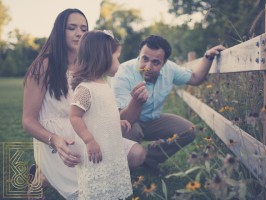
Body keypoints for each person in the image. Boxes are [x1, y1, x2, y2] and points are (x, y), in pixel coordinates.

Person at [22, 9, 145, 199]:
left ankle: (44, 177)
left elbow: (99, 112)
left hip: (88, 133)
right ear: (59, 31)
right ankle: (43, 175)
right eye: (72, 28)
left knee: (136, 154)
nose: (79, 33)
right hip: (59, 140)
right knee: (86, 191)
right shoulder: (44, 65)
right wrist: (54, 139)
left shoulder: (93, 67)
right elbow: (28, 120)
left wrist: (129, 109)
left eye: (84, 28)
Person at [112, 35, 225, 173]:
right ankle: (122, 170)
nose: (148, 67)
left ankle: (148, 159)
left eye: (155, 62)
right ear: (139, 55)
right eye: (145, 59)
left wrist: (208, 57)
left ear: (164, 63)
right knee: (130, 129)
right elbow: (123, 121)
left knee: (189, 131)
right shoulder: (123, 73)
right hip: (130, 121)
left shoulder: (170, 69)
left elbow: (195, 78)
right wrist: (136, 102)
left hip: (153, 120)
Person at [69, 30, 133, 200]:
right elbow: (75, 116)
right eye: (117, 57)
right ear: (103, 57)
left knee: (111, 185)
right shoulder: (85, 89)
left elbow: (102, 113)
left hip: (110, 146)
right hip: (95, 149)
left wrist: (116, 122)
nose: (119, 63)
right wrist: (89, 140)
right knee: (98, 189)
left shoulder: (105, 83)